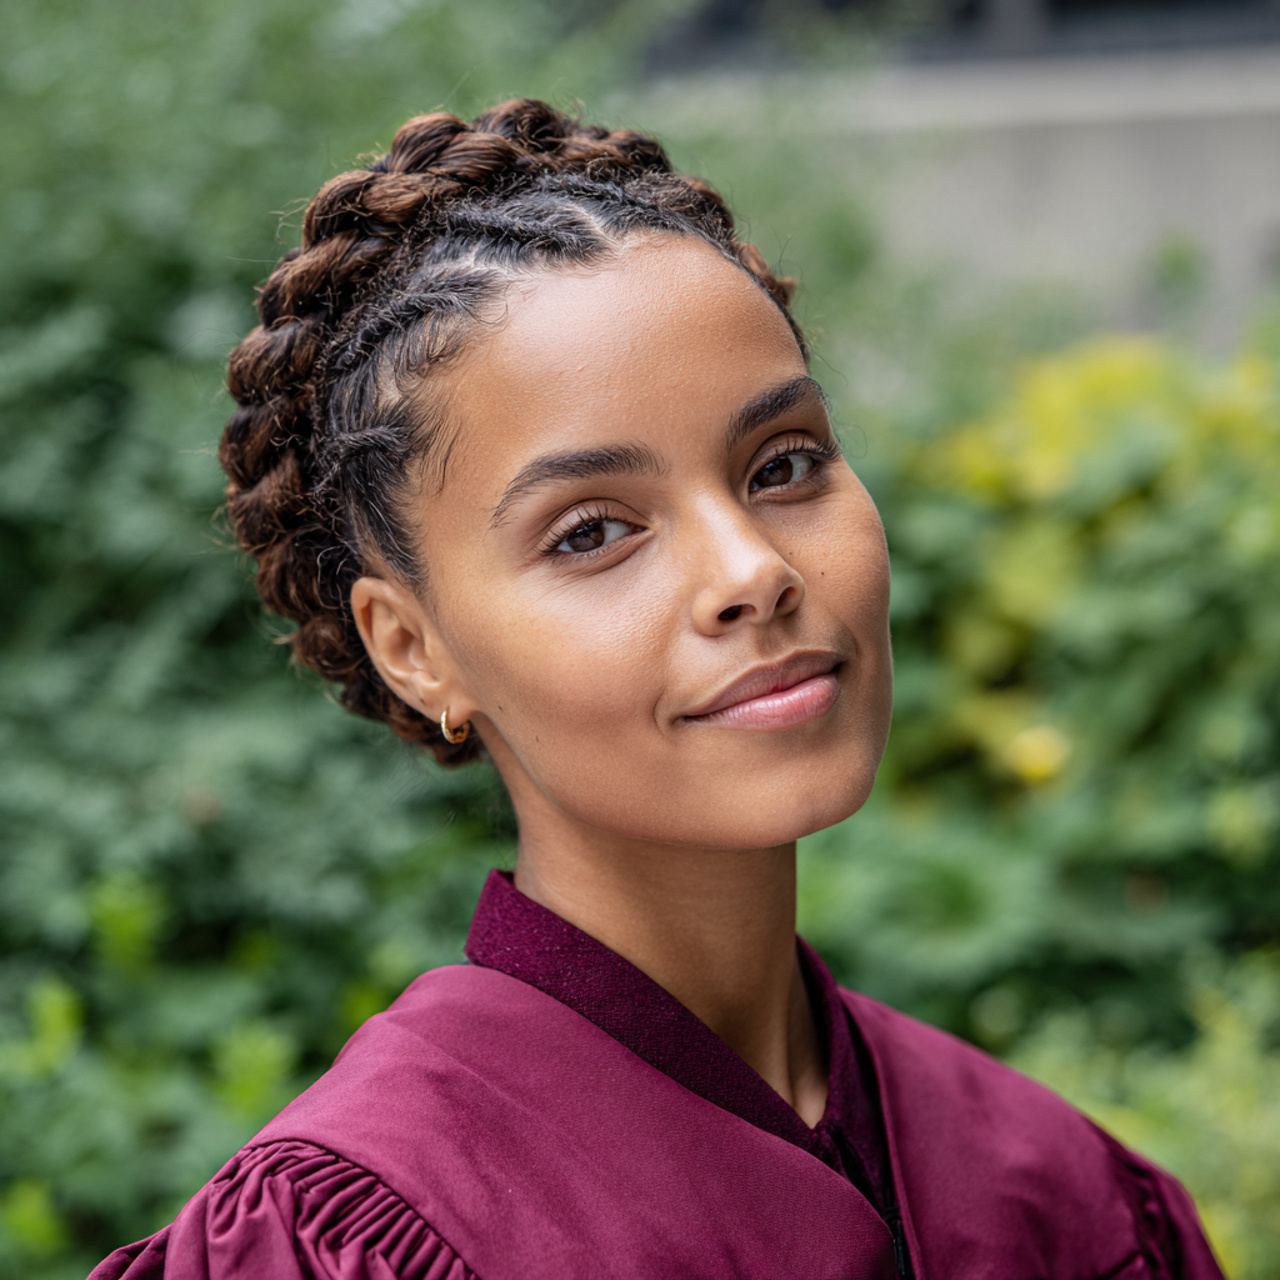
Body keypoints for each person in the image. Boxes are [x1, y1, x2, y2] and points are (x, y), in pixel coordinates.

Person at [90, 98, 1224, 1280]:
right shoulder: (358, 1238)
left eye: (782, 464)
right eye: (590, 532)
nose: (752, 572)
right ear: (412, 645)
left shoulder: (1055, 1189)